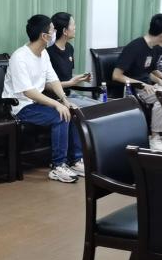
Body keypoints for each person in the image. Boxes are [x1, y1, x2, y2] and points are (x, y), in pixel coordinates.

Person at [8, 14, 84, 183]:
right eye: (52, 31)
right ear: (44, 36)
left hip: (37, 104)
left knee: (71, 110)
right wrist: (57, 105)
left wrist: (64, 100)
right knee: (60, 116)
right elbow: (28, 92)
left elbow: (53, 79)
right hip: (20, 107)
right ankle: (58, 166)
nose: (55, 33)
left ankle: (75, 160)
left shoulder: (43, 54)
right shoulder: (19, 57)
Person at [114, 14, 162, 143]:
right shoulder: (135, 47)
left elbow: (147, 71)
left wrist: (161, 81)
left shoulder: (153, 47)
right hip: (135, 89)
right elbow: (116, 75)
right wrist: (142, 84)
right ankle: (155, 135)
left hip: (149, 86)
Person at [46, 12, 97, 107]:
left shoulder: (69, 48)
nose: (75, 28)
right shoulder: (48, 53)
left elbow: (67, 76)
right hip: (57, 99)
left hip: (70, 94)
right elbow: (46, 85)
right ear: (65, 31)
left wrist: (81, 78)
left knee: (102, 105)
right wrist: (71, 83)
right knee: (97, 109)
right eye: (73, 25)